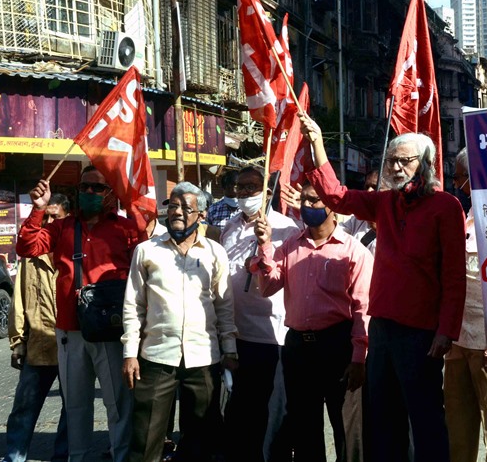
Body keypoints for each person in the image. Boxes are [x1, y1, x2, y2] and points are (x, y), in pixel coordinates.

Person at [298, 112, 466, 462]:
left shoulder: (446, 207)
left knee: (426, 420)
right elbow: (337, 197)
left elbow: (453, 277)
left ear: (426, 164)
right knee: (384, 418)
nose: (395, 168)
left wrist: (446, 331)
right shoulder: (385, 202)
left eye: (404, 161)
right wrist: (316, 142)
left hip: (422, 332)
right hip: (383, 329)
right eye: (391, 161)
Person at [16, 166, 143, 462]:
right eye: (84, 187)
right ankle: (79, 457)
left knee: (118, 403)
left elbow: (143, 275)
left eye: (97, 188)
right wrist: (38, 209)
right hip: (70, 330)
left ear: (109, 193)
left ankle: (121, 456)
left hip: (111, 331)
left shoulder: (125, 229)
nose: (89, 193)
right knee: (75, 405)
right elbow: (27, 247)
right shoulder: (62, 226)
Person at [252, 181, 372, 462]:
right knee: (304, 426)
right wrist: (264, 246)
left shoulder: (353, 251)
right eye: (304, 200)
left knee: (346, 427)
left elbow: (363, 308)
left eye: (315, 200)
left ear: (332, 206)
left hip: (337, 346)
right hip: (298, 348)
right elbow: (268, 287)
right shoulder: (290, 245)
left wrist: (359, 356)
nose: (307, 206)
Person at [122, 181, 238, 462]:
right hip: (157, 357)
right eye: (173, 205)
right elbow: (133, 304)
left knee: (200, 439)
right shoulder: (147, 251)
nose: (178, 212)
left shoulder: (214, 252)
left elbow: (224, 305)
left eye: (187, 207)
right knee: (145, 436)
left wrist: (230, 348)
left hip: (203, 358)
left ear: (201, 215)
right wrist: (130, 353)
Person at [220, 166, 300, 462]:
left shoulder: (286, 228)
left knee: (271, 414)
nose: (243, 193)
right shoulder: (229, 226)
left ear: (267, 192)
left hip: (271, 335)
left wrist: (265, 245)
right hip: (236, 334)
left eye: (251, 187)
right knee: (240, 409)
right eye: (240, 187)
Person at [4, 193, 71, 462]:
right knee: (24, 407)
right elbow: (18, 300)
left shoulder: (75, 252)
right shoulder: (32, 255)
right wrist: (17, 340)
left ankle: (63, 456)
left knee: (73, 409)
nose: (51, 222)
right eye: (47, 217)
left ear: (67, 218)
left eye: (56, 217)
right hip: (38, 346)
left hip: (71, 345)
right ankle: (14, 455)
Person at [444, 148, 487, 462]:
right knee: (458, 428)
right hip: (456, 340)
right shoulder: (465, 216)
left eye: (460, 177)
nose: (456, 183)